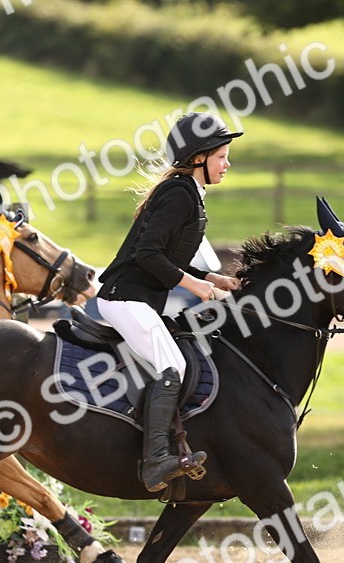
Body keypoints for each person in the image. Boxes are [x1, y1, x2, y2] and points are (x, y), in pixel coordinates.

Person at [96, 111, 242, 492]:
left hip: (137, 298)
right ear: (198, 157)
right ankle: (156, 460)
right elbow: (147, 254)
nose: (227, 163)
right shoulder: (179, 194)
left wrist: (215, 278)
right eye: (222, 155)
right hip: (124, 297)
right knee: (172, 364)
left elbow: (171, 256)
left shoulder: (189, 192)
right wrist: (194, 286)